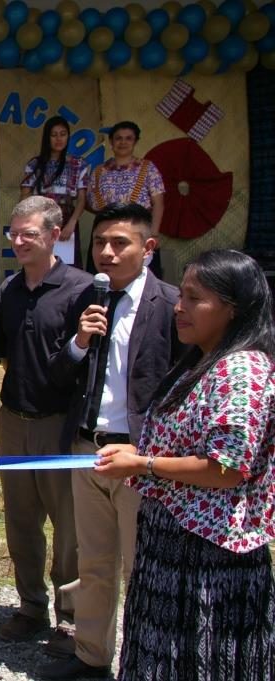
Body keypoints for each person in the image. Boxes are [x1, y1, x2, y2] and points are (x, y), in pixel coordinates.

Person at [93, 249, 275, 679]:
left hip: (209, 558)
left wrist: (143, 464)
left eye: (195, 298)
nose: (179, 307)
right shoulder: (200, 361)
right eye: (182, 296)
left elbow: (226, 468)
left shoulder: (241, 370)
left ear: (233, 308)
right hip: (172, 545)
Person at [39, 203, 183, 680]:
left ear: (149, 247)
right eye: (99, 242)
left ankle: (144, 662)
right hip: (86, 449)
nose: (105, 252)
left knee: (141, 567)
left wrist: (154, 457)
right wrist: (79, 342)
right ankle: (91, 656)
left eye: (119, 243)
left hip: (140, 456)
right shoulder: (89, 300)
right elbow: (58, 375)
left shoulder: (171, 305)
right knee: (94, 562)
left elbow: (183, 384)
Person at [0, 197, 91, 656]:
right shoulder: (8, 290)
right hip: (14, 421)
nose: (18, 240)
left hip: (59, 426)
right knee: (20, 522)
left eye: (28, 233)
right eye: (13, 232)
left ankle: (68, 617)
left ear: (54, 235)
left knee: (67, 528)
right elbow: (5, 356)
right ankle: (30, 605)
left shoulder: (80, 289)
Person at [86, 121, 164, 278]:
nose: (123, 142)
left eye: (128, 138)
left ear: (135, 141)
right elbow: (87, 201)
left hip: (137, 231)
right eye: (118, 138)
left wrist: (154, 233)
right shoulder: (99, 171)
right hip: (106, 233)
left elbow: (158, 203)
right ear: (111, 142)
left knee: (142, 278)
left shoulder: (148, 168)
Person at [21, 116, 89, 267]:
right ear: (47, 137)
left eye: (63, 134)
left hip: (67, 218)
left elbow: (82, 199)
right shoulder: (35, 164)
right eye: (54, 135)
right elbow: (25, 196)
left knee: (67, 265)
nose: (59, 139)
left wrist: (72, 223)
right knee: (40, 262)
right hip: (40, 218)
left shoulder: (78, 164)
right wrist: (31, 220)